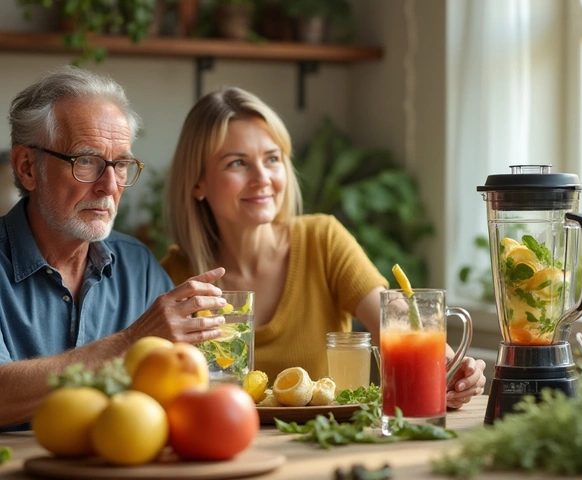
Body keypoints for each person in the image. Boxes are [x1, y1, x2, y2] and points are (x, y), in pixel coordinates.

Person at [161, 87, 486, 408]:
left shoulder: (322, 240)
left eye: (272, 159)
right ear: (197, 182)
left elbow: (398, 324)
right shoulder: (172, 276)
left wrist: (456, 373)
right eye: (237, 163)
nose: (262, 178)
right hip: (224, 450)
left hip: (325, 446)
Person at [0, 66, 227, 431]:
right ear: (28, 167)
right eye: (86, 161)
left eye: (120, 164)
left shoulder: (136, 263)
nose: (109, 186)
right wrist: (131, 342)